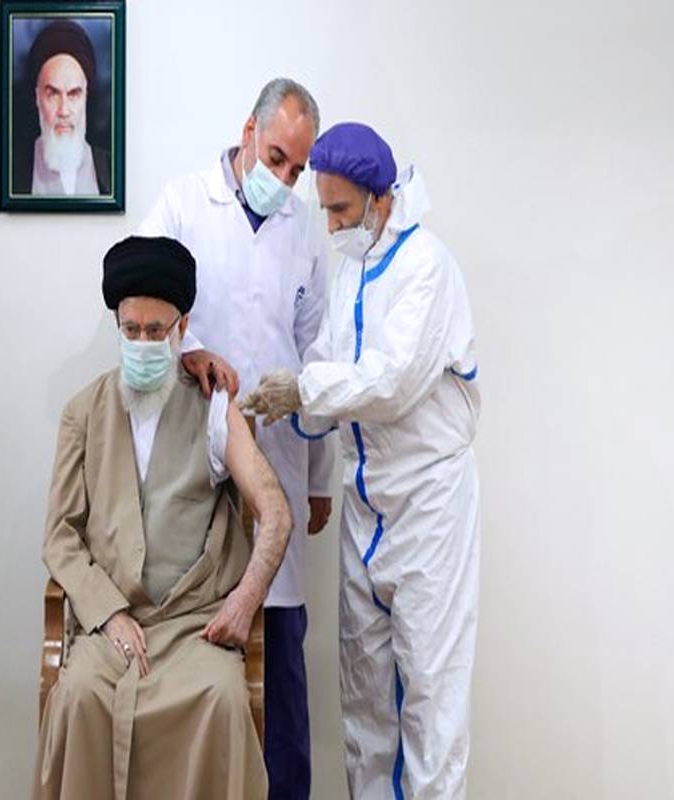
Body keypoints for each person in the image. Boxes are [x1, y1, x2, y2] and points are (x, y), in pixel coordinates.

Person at [241, 122, 481, 799]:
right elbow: (329, 364)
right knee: (366, 697)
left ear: (380, 198)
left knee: (431, 700)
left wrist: (305, 390)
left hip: (428, 508)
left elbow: (391, 381)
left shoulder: (426, 267)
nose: (332, 224)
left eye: (341, 209)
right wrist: (288, 395)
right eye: (324, 208)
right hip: (365, 504)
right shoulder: (353, 268)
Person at [33, 235, 294, 800]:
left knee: (222, 700)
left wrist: (244, 601)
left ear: (183, 328)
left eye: (157, 331)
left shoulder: (214, 408)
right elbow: (60, 536)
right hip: (109, 626)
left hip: (193, 628)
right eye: (131, 330)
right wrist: (107, 613)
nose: (144, 343)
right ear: (117, 325)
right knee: (77, 696)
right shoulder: (83, 412)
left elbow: (275, 511)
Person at [138, 77, 332, 799]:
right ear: (247, 132)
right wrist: (186, 354)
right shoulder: (184, 204)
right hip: (194, 463)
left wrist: (318, 479)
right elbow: (136, 304)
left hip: (278, 460)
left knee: (280, 669)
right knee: (200, 661)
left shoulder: (306, 232)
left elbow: (320, 360)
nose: (284, 179)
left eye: (297, 169)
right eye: (276, 157)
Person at [12, 19, 110, 196]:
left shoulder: (112, 169)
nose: (64, 111)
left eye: (73, 94)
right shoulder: (12, 172)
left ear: (86, 96)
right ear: (37, 97)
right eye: (53, 94)